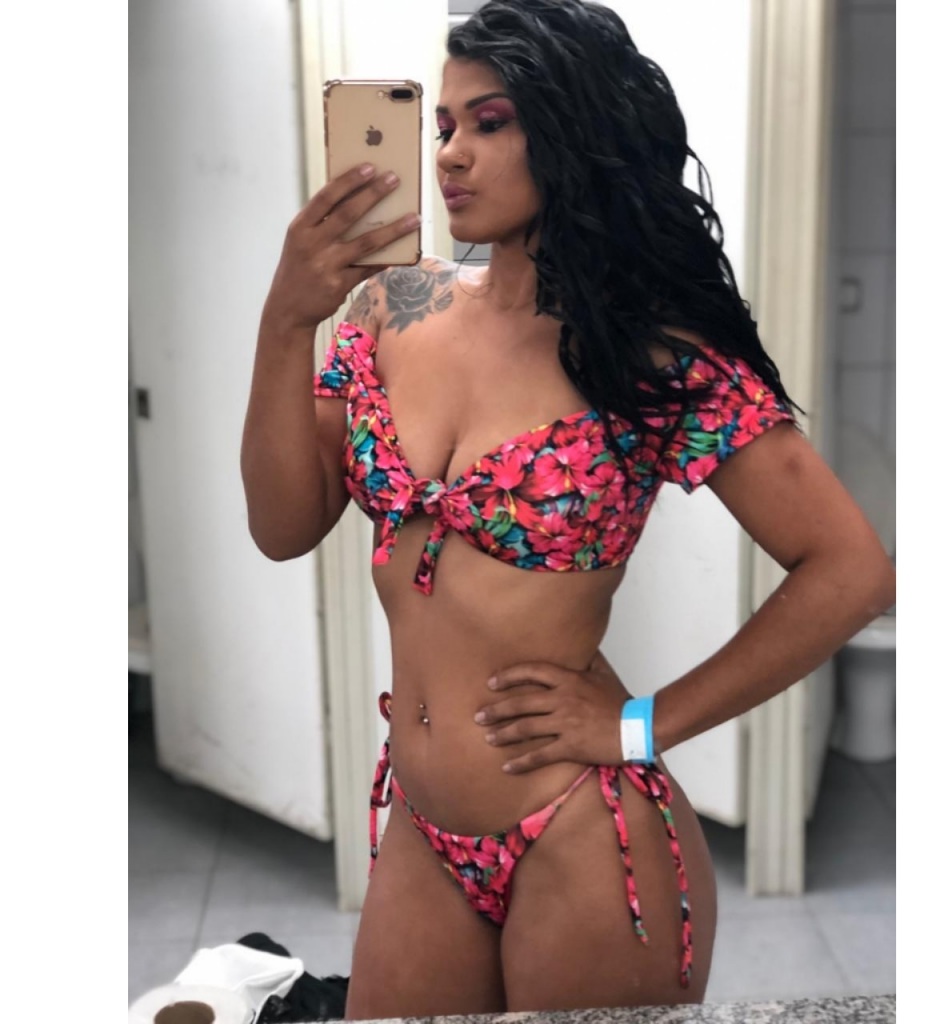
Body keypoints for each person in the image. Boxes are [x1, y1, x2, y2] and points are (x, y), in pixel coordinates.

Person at [241, 0, 896, 1017]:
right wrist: (286, 321)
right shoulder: (390, 306)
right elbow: (283, 529)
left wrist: (641, 725)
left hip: (583, 834)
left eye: (490, 121)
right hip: (422, 822)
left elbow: (851, 571)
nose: (450, 153)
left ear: (574, 130)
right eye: (443, 125)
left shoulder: (652, 356)